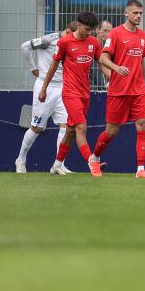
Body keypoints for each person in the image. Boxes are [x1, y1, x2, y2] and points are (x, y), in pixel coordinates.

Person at [89, 0, 145, 179]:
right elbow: (103, 58)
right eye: (135, 13)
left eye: (140, 13)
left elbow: (141, 62)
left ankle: (140, 169)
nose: (138, 16)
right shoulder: (115, 33)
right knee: (111, 131)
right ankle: (94, 158)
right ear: (126, 13)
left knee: (143, 124)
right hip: (119, 90)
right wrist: (117, 68)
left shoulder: (143, 36)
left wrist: (142, 82)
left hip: (138, 91)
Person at [39, 12, 100, 175]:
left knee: (71, 130)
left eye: (91, 30)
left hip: (85, 93)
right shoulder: (64, 42)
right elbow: (53, 67)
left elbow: (102, 61)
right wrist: (43, 89)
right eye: (87, 29)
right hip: (69, 92)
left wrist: (112, 77)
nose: (89, 32)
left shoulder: (94, 42)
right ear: (78, 25)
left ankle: (56, 165)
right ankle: (92, 163)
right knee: (81, 127)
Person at [14, 21, 77, 173]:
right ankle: (20, 160)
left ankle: (59, 165)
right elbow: (25, 46)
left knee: (66, 126)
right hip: (45, 87)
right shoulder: (49, 39)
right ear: (68, 31)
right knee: (36, 127)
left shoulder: (75, 43)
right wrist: (33, 68)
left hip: (63, 88)